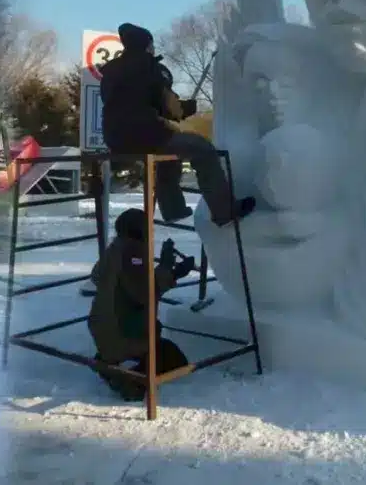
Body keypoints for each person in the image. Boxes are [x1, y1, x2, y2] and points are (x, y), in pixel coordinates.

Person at [99, 22, 255, 226]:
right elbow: (170, 107)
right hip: (145, 135)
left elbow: (130, 104)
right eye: (151, 44)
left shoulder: (111, 72)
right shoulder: (150, 67)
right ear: (146, 44)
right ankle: (224, 211)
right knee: (203, 149)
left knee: (170, 152)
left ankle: (174, 209)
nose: (153, 48)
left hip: (115, 138)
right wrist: (186, 108)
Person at [89, 209, 193, 401]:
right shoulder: (134, 252)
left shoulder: (115, 249)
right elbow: (143, 294)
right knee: (172, 357)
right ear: (139, 230)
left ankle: (107, 363)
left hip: (102, 327)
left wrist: (166, 270)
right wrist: (171, 271)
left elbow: (101, 277)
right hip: (124, 331)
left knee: (158, 347)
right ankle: (131, 381)